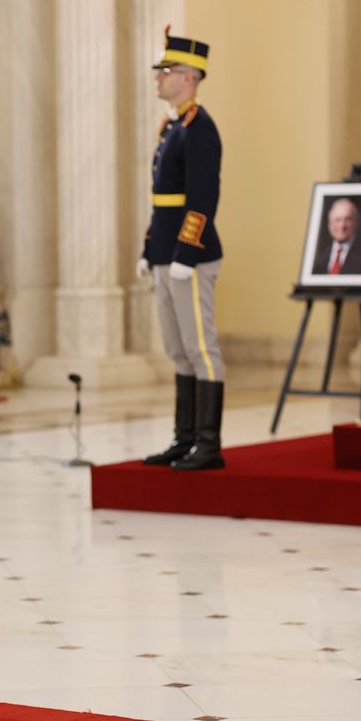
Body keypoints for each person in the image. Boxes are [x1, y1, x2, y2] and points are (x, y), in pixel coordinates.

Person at [138, 28, 226, 472]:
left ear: (189, 77)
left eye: (166, 72)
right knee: (176, 348)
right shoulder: (172, 126)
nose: (159, 79)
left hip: (189, 257)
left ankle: (208, 444)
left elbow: (202, 198)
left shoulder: (199, 129)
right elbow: (162, 197)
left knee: (200, 347)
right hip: (165, 255)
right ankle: (185, 439)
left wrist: (186, 256)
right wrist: (150, 247)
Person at [312, 197, 361, 276]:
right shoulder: (318, 257)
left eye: (348, 219)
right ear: (329, 224)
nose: (342, 225)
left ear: (356, 222)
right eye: (337, 220)